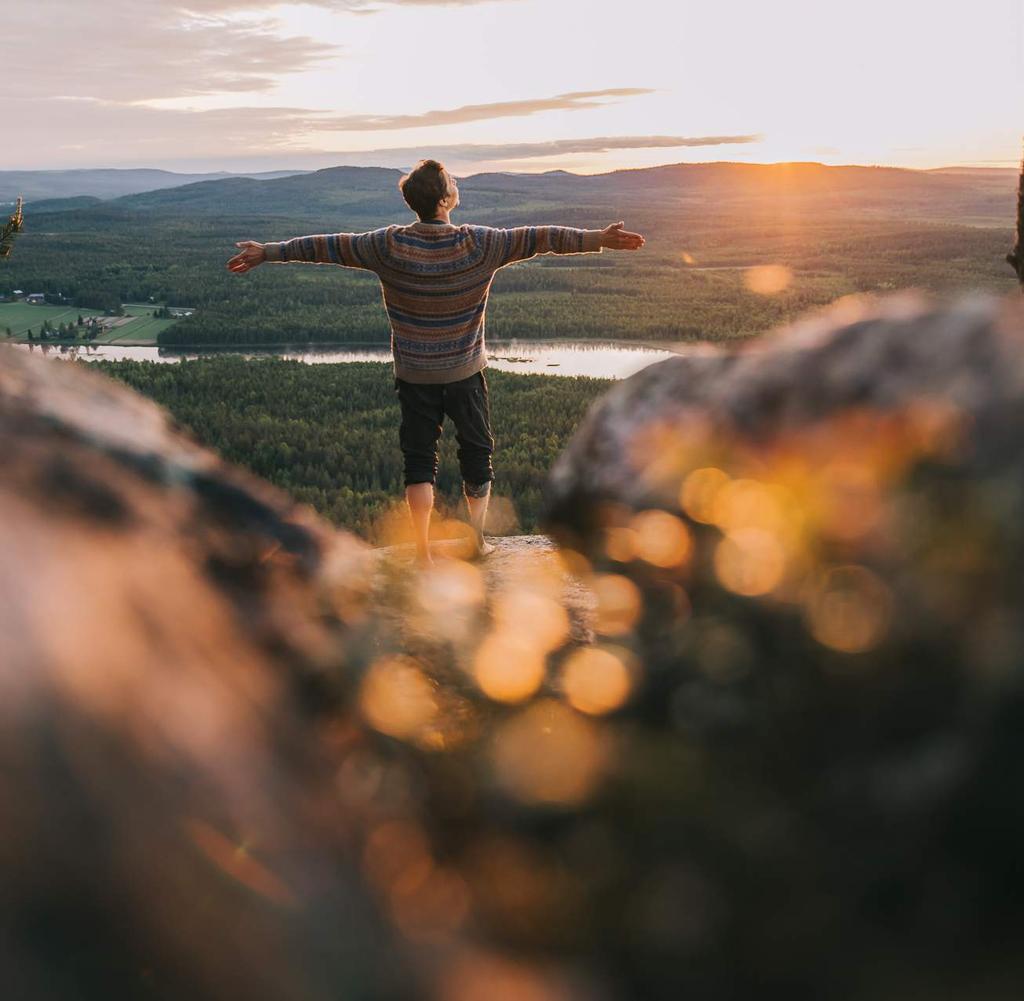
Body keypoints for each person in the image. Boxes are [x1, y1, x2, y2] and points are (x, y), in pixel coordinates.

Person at [227, 158, 645, 565]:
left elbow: (326, 247)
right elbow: (541, 238)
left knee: (419, 460)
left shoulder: (385, 244)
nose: (457, 186)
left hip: (413, 375)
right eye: (453, 183)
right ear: (445, 200)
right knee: (477, 453)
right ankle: (476, 542)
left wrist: (268, 251)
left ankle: (423, 552)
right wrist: (596, 238)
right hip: (465, 372)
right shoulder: (480, 243)